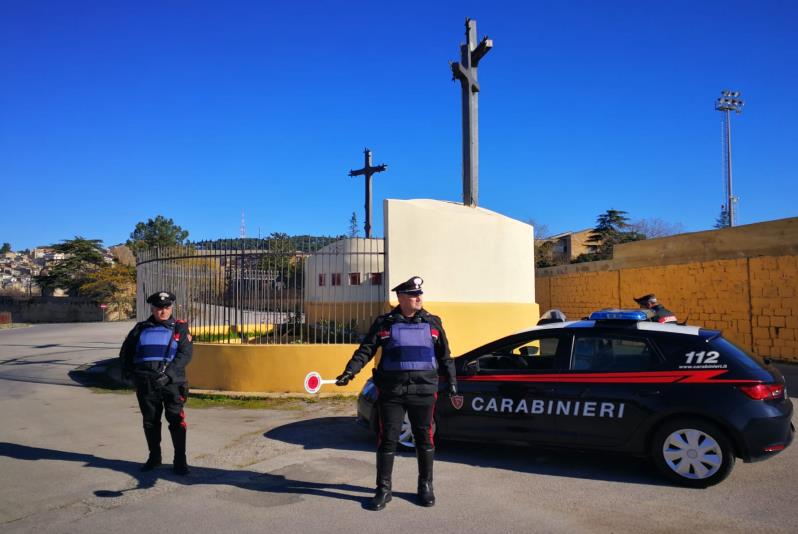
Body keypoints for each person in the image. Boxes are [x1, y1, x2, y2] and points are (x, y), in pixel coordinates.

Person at [335, 276, 457, 510]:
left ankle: (426, 487)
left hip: (423, 390)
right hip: (392, 392)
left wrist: (452, 382)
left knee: (424, 439)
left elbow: (445, 356)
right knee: (387, 439)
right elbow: (366, 350)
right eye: (413, 295)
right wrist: (350, 371)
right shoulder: (384, 324)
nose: (418, 298)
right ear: (400, 298)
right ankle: (383, 490)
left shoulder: (433, 323)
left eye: (420, 294)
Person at [120, 291, 193, 475]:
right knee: (150, 422)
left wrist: (168, 375)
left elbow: (185, 354)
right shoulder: (140, 328)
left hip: (172, 383)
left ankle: (180, 459)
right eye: (159, 308)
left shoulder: (180, 328)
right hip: (147, 383)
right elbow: (126, 352)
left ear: (172, 308)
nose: (163, 311)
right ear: (152, 308)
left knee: (176, 421)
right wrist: (130, 373)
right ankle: (154, 457)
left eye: (167, 308)